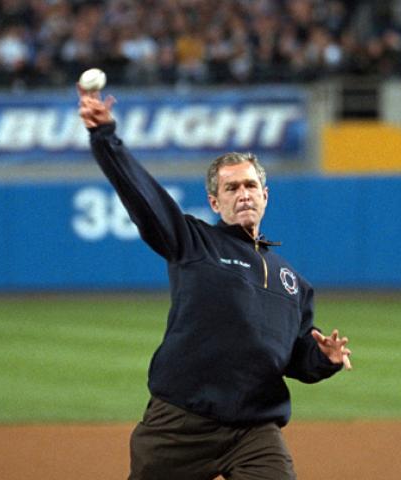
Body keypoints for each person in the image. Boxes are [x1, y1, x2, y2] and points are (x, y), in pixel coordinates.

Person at [77, 86, 352, 480]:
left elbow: (293, 356)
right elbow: (142, 196)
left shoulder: (294, 284)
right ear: (214, 202)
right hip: (180, 425)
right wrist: (105, 138)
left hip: (254, 429)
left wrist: (322, 359)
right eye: (232, 188)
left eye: (250, 186)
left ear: (265, 195)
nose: (243, 194)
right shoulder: (193, 242)